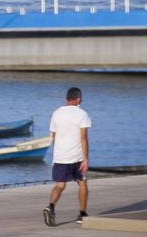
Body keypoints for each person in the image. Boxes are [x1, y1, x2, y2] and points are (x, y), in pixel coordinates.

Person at [44, 86, 91, 226]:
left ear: (66, 99)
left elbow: (54, 135)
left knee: (60, 185)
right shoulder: (82, 114)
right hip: (76, 157)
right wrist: (86, 158)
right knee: (82, 183)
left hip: (60, 156)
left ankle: (50, 206)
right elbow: (83, 137)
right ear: (79, 99)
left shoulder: (56, 113)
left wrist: (57, 152)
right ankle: (82, 214)